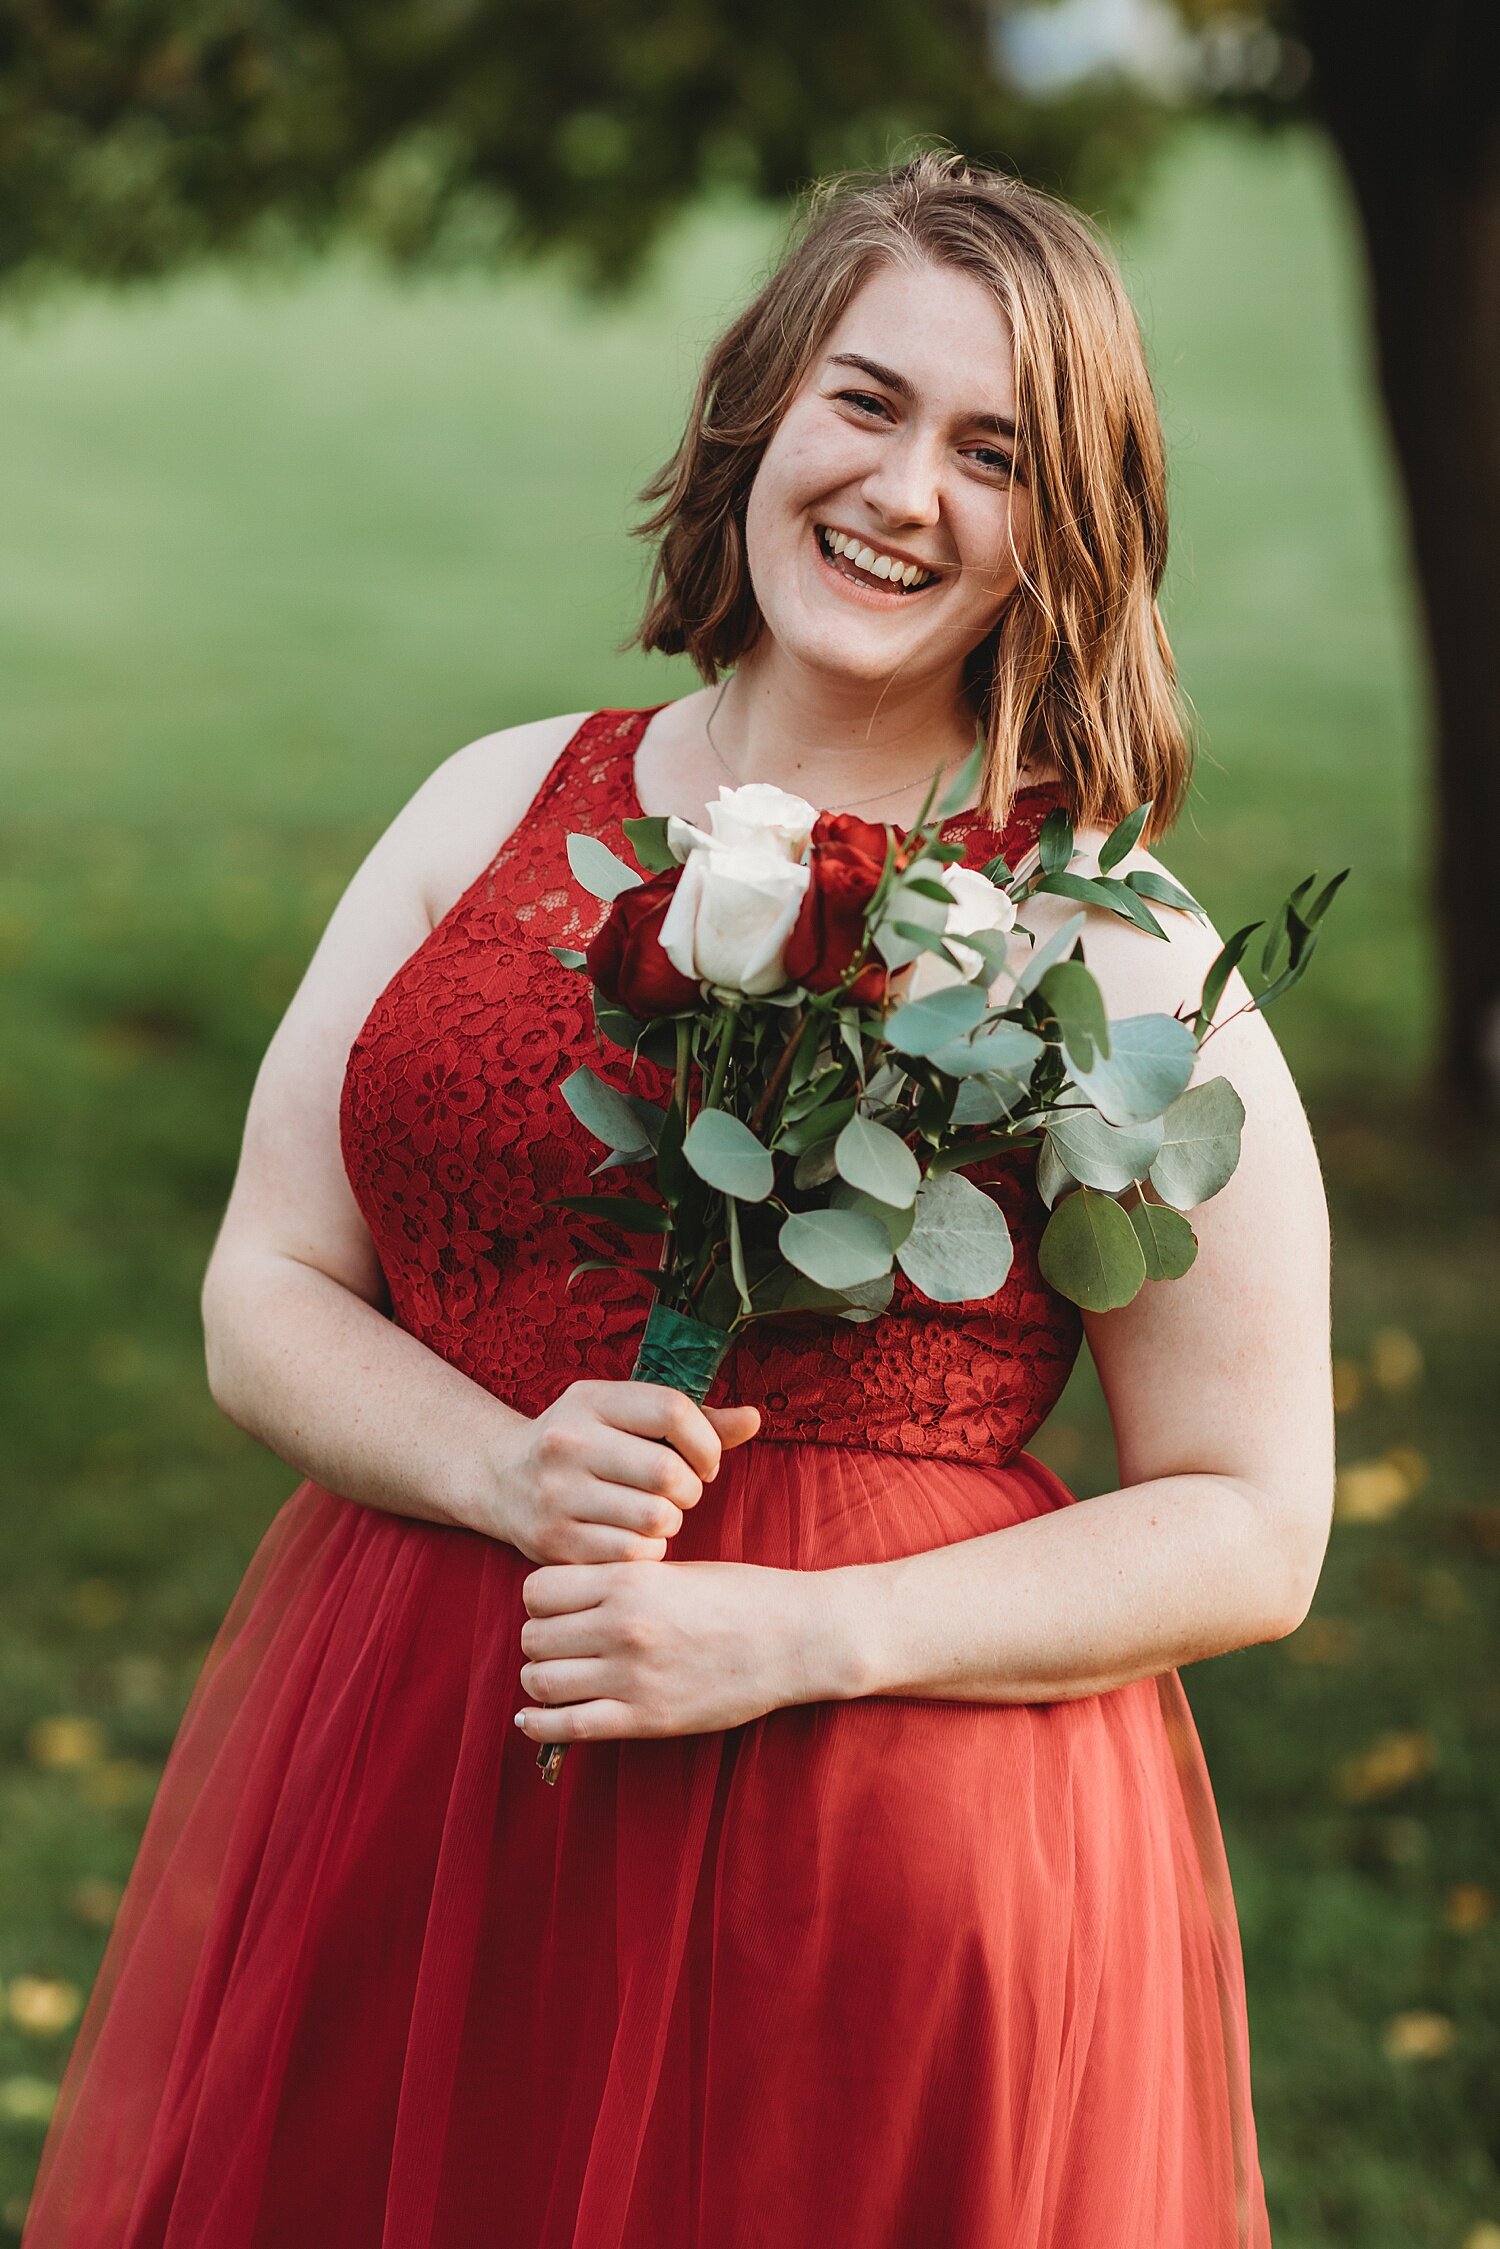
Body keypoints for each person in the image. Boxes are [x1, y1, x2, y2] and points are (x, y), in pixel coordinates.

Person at [22, 149, 1332, 2248]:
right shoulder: (492, 797)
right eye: (867, 400)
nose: (906, 490)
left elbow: (1255, 1523)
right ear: (760, 411)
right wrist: (505, 1466)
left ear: (1065, 530)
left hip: (877, 1800)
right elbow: (264, 1280)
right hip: (436, 1747)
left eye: (994, 451)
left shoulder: (1112, 948)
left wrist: (801, 1635)